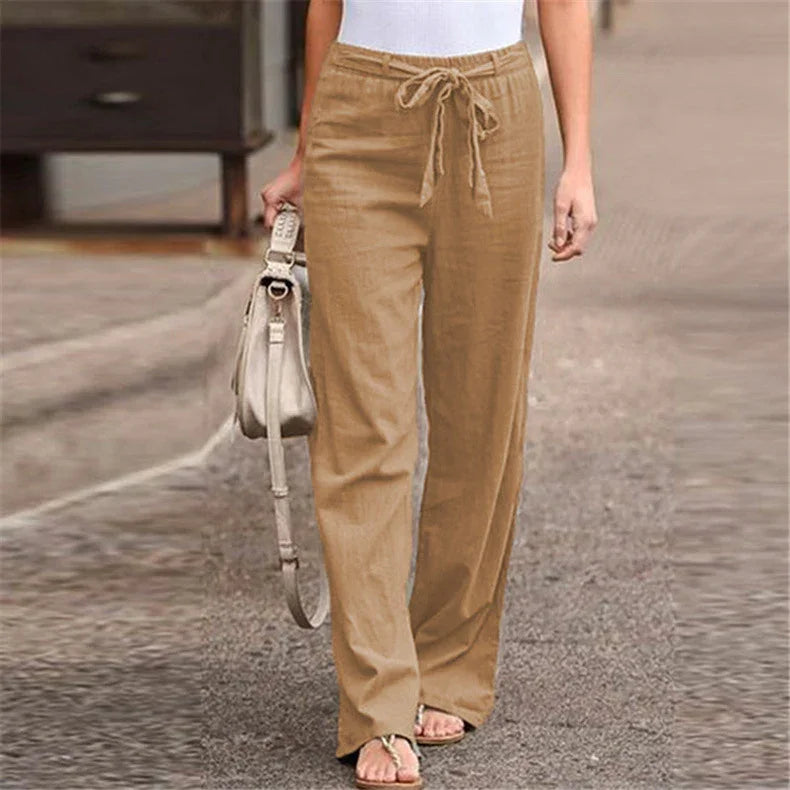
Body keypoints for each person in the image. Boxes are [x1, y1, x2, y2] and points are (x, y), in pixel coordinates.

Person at [259, 0, 597, 787]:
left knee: (480, 415)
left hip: (495, 111)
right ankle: (378, 705)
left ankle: (448, 661)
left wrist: (577, 159)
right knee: (363, 424)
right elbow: (325, 5)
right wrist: (309, 149)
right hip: (357, 115)